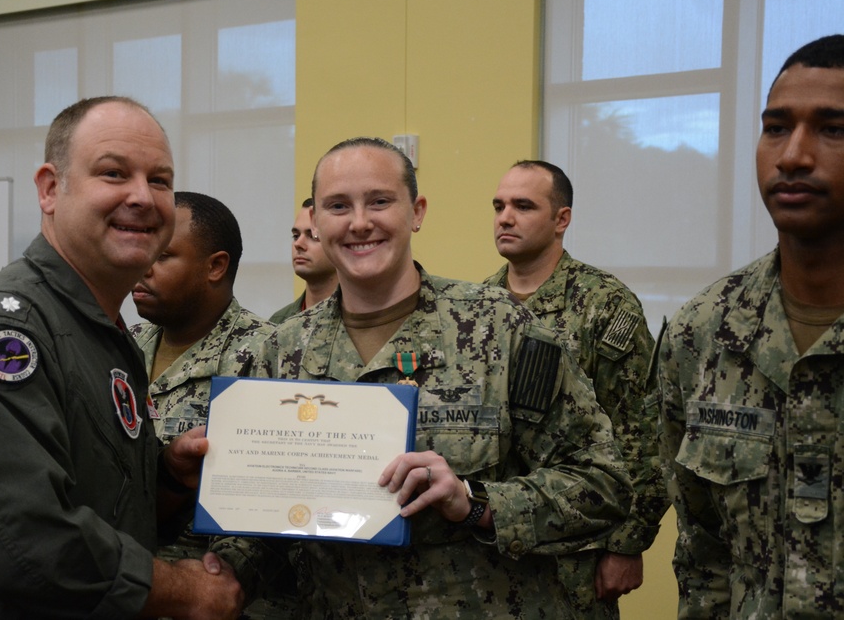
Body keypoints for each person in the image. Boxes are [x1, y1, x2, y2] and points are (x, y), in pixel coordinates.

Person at [211, 136, 632, 618]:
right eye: (337, 206)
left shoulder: (500, 329)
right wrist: (223, 570)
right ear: (318, 221)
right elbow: (260, 524)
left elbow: (604, 484)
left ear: (417, 212)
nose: (359, 222)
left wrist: (475, 503)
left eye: (380, 201)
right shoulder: (280, 352)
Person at [0, 97, 243, 619]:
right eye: (113, 173)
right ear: (51, 189)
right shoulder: (1, 331)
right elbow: (25, 542)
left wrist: (166, 478)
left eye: (160, 180)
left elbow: (97, 498)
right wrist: (184, 591)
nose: (142, 197)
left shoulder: (100, 329)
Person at [658, 33, 844, 618]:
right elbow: (703, 552)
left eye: (832, 128)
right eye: (776, 127)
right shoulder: (703, 333)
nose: (793, 154)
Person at [483, 160, 667, 616]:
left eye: (523, 206)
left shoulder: (603, 302)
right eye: (499, 205)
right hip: (491, 549)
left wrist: (629, 543)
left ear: (561, 219)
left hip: (575, 553)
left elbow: (643, 430)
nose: (505, 217)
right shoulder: (478, 306)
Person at [129, 191, 292, 617]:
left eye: (163, 256)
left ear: (215, 266)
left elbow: (277, 504)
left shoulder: (268, 354)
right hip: (125, 587)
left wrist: (222, 577)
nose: (141, 267)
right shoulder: (123, 347)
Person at [269, 198, 338, 323]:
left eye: (312, 236)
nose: (298, 244)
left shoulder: (361, 319)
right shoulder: (279, 322)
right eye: (296, 236)